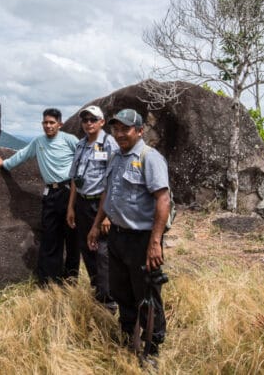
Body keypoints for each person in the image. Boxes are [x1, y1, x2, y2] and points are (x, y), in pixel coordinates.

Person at [86, 109, 171, 363]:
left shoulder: (149, 158)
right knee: (121, 291)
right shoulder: (115, 157)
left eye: (126, 129)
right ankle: (127, 339)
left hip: (142, 239)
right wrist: (96, 224)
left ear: (139, 131)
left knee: (146, 294)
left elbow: (163, 199)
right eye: (116, 129)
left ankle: (152, 349)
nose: (120, 133)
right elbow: (107, 193)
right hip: (117, 237)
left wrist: (155, 242)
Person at [0, 108, 79, 285]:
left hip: (70, 192)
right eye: (45, 122)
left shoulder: (70, 140)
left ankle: (71, 280)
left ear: (59, 124)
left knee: (72, 238)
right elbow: (23, 155)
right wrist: (4, 164)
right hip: (51, 194)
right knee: (50, 237)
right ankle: (49, 281)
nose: (48, 126)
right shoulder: (38, 142)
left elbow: (83, 160)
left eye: (52, 122)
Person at [66, 105, 118, 308]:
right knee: (87, 248)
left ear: (102, 122)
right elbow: (74, 179)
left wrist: (107, 216)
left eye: (93, 119)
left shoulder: (109, 144)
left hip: (101, 204)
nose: (88, 123)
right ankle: (98, 289)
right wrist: (71, 207)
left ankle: (109, 299)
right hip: (82, 203)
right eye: (85, 119)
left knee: (103, 251)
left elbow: (113, 181)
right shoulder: (80, 145)